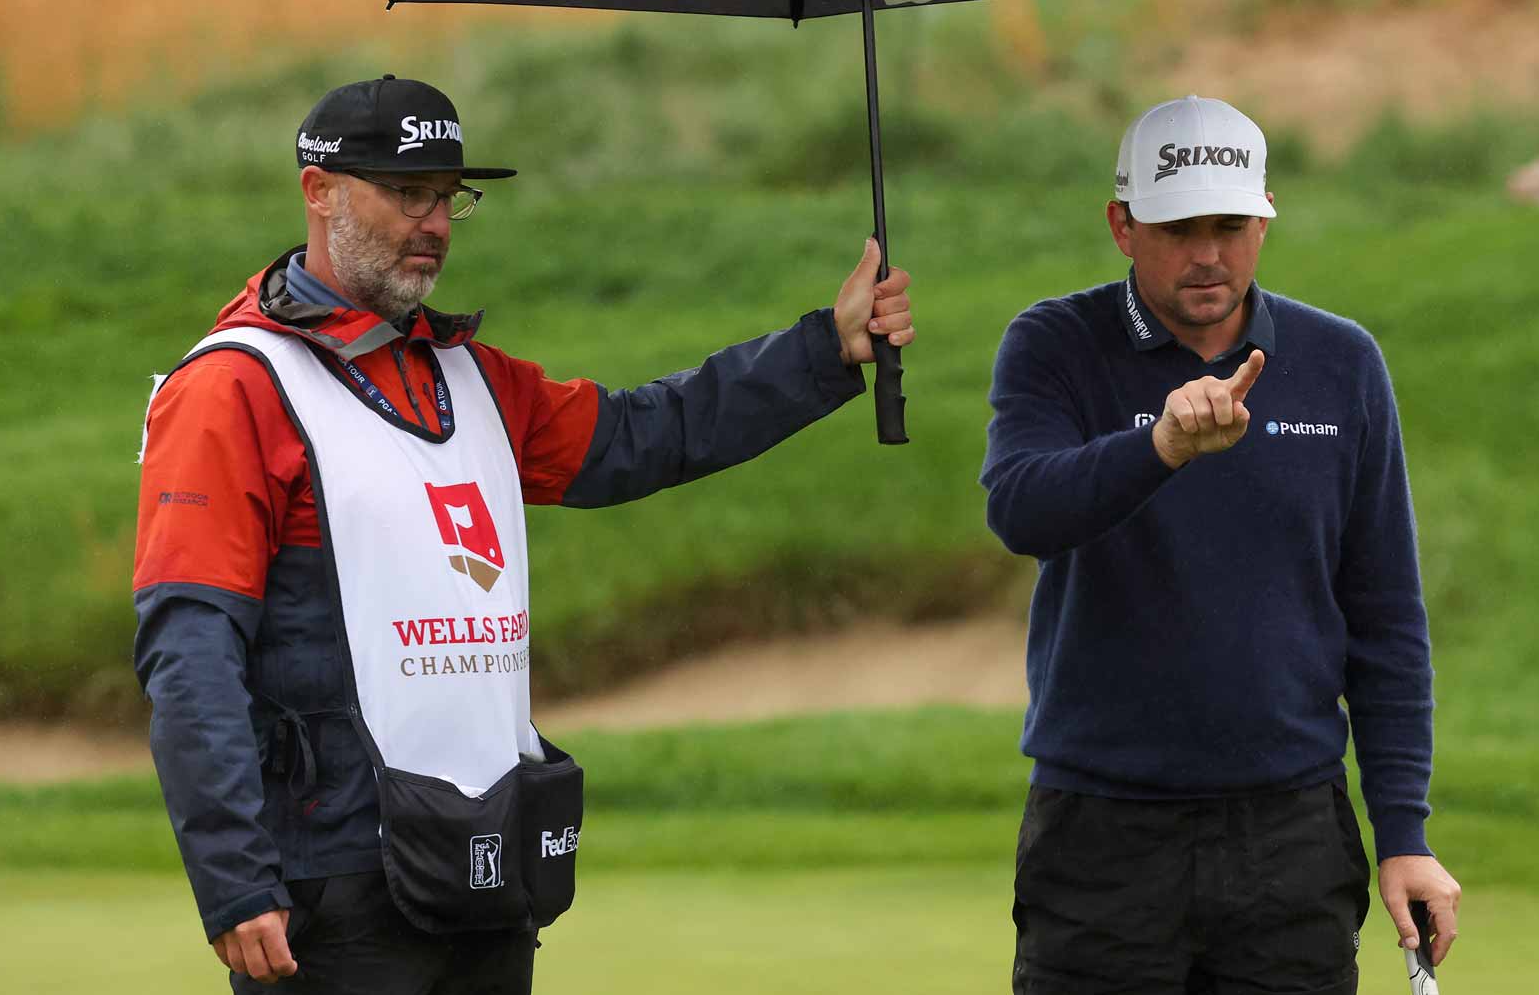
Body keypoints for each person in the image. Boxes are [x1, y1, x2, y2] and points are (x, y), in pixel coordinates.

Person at [133, 75, 914, 993]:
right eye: (406, 193)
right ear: (320, 191)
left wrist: (826, 347)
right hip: (330, 887)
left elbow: (640, 436)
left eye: (448, 196)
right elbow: (191, 652)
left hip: (485, 860)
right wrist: (234, 878)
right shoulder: (231, 389)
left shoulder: (470, 378)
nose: (434, 223)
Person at [980, 95, 1460, 995]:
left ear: (1264, 219)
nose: (1207, 254)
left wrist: (1404, 834)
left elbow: (1385, 617)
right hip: (1102, 834)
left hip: (1291, 836)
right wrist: (1159, 447)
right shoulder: (1055, 344)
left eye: (1229, 227)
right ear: (1122, 226)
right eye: (1178, 229)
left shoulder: (1341, 361)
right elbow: (1022, 509)